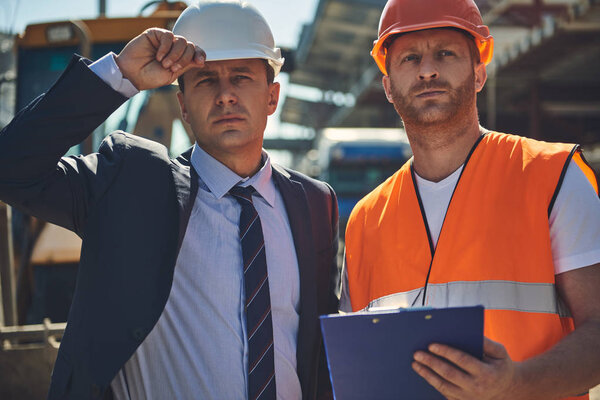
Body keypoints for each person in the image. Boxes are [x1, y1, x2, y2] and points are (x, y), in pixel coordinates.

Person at [0, 1, 338, 399]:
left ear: (272, 97)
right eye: (206, 80)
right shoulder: (128, 187)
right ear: (183, 106)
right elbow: (12, 167)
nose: (226, 95)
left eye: (242, 77)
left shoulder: (314, 203)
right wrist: (121, 74)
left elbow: (320, 349)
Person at [340, 0, 600, 398]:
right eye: (410, 58)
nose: (428, 69)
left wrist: (515, 384)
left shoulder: (553, 176)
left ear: (479, 72)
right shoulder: (364, 221)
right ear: (388, 85)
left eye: (445, 53)